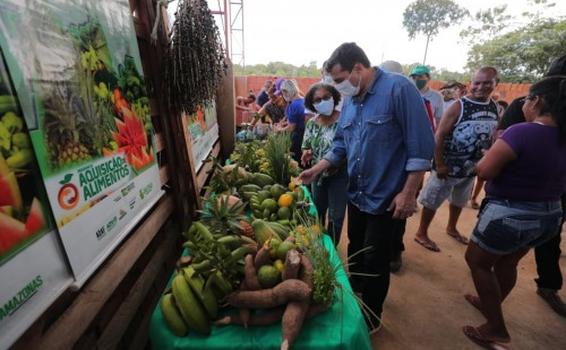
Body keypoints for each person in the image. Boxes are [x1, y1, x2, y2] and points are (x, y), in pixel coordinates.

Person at [299, 43, 434, 331]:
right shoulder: (350, 99)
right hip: (357, 193)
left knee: (375, 260)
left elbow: (421, 146)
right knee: (355, 248)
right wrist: (317, 168)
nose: (337, 88)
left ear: (358, 69)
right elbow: (340, 146)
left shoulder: (399, 89)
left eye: (339, 80)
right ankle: (355, 299)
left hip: (387, 197)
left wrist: (408, 192)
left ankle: (371, 318)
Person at [462, 76, 566, 349]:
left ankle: (495, 328)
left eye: (527, 99)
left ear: (538, 101)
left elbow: (484, 171)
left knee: (477, 261)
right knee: (507, 262)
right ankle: (489, 304)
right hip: (550, 215)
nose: (524, 104)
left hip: (510, 214)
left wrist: (488, 155)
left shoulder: (521, 132)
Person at [495, 54, 566, 318]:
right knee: (502, 254)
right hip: (530, 197)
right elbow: (502, 140)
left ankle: (544, 286)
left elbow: (492, 158)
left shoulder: (526, 119)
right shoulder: (522, 109)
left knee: (496, 256)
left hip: (526, 198)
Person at [414, 67, 500, 252]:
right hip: (448, 166)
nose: (481, 87)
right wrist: (440, 163)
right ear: (471, 84)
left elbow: (493, 135)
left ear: (495, 84)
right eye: (477, 83)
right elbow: (439, 135)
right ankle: (421, 233)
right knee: (433, 200)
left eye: (487, 83)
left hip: (470, 168)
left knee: (460, 199)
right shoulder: (459, 106)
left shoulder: (494, 107)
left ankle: (451, 227)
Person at [301, 83, 348, 245]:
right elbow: (306, 146)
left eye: (326, 98)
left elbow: (351, 148)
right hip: (317, 174)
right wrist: (306, 153)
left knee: (336, 216)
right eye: (318, 100)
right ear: (312, 104)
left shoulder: (345, 121)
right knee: (317, 210)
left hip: (340, 175)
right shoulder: (312, 123)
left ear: (334, 97)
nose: (323, 102)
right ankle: (318, 243)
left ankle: (331, 247)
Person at [470, 99, 509, 209]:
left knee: (481, 177)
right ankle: (469, 195)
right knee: (472, 174)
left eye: (501, 109)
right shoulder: (488, 120)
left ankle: (474, 198)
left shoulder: (506, 124)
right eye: (498, 109)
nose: (499, 111)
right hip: (480, 149)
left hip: (492, 151)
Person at [275, 79, 305, 162]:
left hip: (297, 139)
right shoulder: (304, 100)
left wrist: (279, 130)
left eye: (283, 93)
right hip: (305, 138)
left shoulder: (294, 105)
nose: (283, 96)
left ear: (287, 91)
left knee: (296, 162)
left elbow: (291, 127)